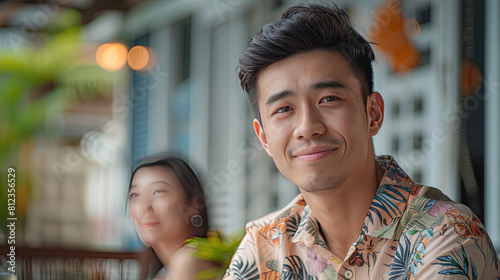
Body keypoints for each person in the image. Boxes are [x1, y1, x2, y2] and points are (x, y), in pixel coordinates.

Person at [223, 2, 500, 279]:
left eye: (328, 99)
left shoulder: (444, 235)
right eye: (284, 109)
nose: (307, 128)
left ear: (373, 114)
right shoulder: (264, 247)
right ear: (264, 138)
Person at [128, 153, 217, 279]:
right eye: (135, 195)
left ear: (193, 204)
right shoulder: (168, 267)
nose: (143, 207)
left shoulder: (189, 261)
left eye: (158, 192)